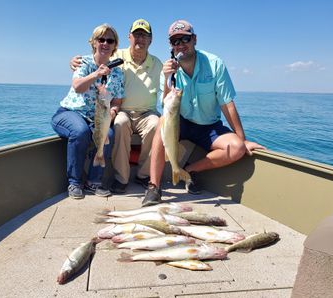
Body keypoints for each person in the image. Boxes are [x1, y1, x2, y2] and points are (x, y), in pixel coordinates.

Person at [142, 20, 266, 207]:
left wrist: (243, 138)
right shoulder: (168, 71)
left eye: (185, 38)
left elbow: (227, 105)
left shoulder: (215, 64)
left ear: (195, 39)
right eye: (175, 41)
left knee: (237, 148)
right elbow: (166, 105)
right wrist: (167, 77)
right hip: (180, 122)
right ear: (171, 46)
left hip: (209, 126)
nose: (181, 44)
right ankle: (154, 187)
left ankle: (190, 170)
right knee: (162, 123)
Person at [70, 19, 162, 194]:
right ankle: (122, 179)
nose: (140, 39)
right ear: (129, 37)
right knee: (119, 124)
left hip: (147, 112)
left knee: (156, 125)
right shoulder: (116, 55)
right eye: (136, 35)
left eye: (144, 36)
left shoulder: (157, 64)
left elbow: (171, 82)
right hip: (123, 111)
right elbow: (96, 57)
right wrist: (73, 61)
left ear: (151, 40)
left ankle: (143, 175)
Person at [52, 24, 124, 199]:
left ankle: (94, 181)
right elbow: (77, 87)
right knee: (80, 131)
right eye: (101, 39)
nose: (105, 43)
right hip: (70, 113)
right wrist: (96, 74)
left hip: (98, 118)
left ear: (115, 45)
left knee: (110, 135)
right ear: (94, 42)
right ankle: (74, 182)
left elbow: (117, 101)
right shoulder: (83, 62)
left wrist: (113, 112)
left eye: (110, 40)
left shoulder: (118, 73)